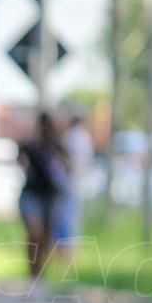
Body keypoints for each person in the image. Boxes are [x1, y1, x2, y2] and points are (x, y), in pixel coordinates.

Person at [17, 111, 68, 289]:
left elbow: (68, 166)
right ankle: (32, 276)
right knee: (34, 234)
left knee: (45, 239)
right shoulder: (30, 145)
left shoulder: (57, 147)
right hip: (31, 194)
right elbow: (20, 160)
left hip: (50, 196)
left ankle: (39, 278)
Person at [54, 108, 95, 253]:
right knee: (71, 219)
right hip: (78, 183)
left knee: (65, 219)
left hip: (67, 183)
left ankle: (65, 252)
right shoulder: (85, 137)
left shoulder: (71, 136)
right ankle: (68, 251)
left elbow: (67, 162)